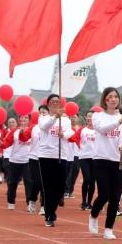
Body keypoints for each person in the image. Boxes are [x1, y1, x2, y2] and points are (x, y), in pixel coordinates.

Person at [87, 87, 122, 240]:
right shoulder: (98, 116)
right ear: (105, 100)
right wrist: (119, 121)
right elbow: (103, 130)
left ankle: (109, 228)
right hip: (101, 159)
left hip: (118, 160)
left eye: (115, 97)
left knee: (115, 197)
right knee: (104, 193)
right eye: (110, 97)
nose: (113, 99)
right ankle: (93, 214)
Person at [38, 94, 73, 227]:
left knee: (60, 187)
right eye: (52, 101)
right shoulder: (43, 117)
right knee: (48, 187)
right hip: (46, 155)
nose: (54, 103)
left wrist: (63, 135)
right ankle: (49, 215)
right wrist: (54, 117)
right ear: (48, 104)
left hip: (61, 155)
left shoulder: (66, 120)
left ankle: (52, 209)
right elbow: (44, 127)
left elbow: (70, 133)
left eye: (57, 101)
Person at [1, 114, 33, 210]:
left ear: (29, 120)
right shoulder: (14, 131)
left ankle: (29, 203)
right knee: (12, 182)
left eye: (26, 118)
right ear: (19, 119)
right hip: (15, 160)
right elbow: (7, 142)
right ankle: (11, 201)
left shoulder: (33, 131)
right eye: (21, 117)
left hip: (28, 160)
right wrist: (1, 144)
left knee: (29, 182)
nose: (23, 119)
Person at [27, 105, 47, 215]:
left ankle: (44, 206)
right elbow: (24, 137)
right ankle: (32, 199)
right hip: (34, 158)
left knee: (45, 183)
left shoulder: (51, 127)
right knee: (37, 181)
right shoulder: (33, 128)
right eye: (40, 112)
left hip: (46, 158)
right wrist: (21, 133)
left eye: (44, 112)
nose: (42, 114)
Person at [76, 111, 96, 211]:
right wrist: (80, 147)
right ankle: (84, 202)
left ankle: (89, 202)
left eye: (91, 117)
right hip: (84, 158)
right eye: (88, 116)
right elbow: (75, 138)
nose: (90, 119)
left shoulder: (98, 130)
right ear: (86, 118)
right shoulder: (82, 130)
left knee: (92, 182)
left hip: (95, 158)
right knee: (87, 179)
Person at [65, 115, 81, 198]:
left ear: (78, 118)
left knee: (75, 173)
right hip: (68, 154)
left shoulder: (80, 129)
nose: (72, 118)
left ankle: (70, 191)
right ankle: (66, 191)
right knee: (68, 173)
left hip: (78, 154)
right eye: (71, 117)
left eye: (74, 117)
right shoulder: (66, 128)